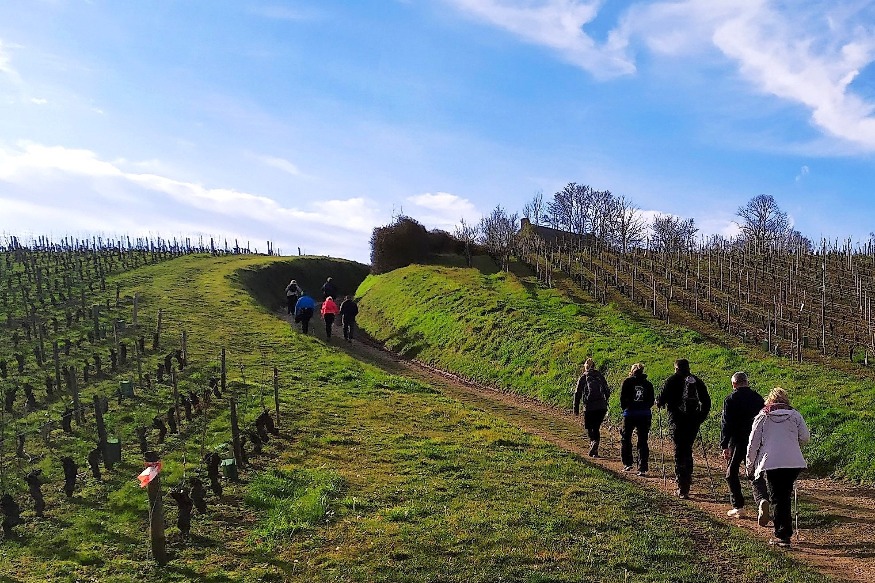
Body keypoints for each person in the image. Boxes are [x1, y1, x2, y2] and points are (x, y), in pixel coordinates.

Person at [746, 387, 809, 547]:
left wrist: (750, 465)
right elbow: (805, 437)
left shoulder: (762, 416)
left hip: (771, 461)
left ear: (769, 400)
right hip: (793, 462)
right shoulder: (795, 415)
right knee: (784, 496)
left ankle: (782, 536)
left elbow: (753, 444)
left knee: (777, 498)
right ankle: (784, 532)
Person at [656, 358, 711, 499]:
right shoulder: (696, 381)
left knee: (679, 451)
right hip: (693, 422)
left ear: (676, 368)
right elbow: (706, 401)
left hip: (677, 422)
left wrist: (659, 402)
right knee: (688, 449)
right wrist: (700, 417)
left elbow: (660, 400)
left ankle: (682, 485)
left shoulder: (671, 380)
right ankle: (688, 479)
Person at [720, 371, 767, 520]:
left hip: (738, 441)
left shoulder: (730, 399)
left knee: (731, 473)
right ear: (747, 382)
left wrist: (724, 444)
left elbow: (726, 424)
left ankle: (738, 506)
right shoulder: (758, 398)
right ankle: (761, 501)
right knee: (755, 471)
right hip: (756, 440)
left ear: (734, 384)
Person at [619, 363, 655, 476]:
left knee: (626, 438)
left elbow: (622, 399)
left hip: (629, 414)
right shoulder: (648, 384)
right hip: (644, 414)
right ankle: (642, 467)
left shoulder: (627, 382)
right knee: (643, 440)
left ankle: (627, 463)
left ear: (632, 371)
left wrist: (626, 408)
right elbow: (651, 400)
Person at [573, 358, 610, 458]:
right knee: (596, 427)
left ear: (586, 367)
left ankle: (593, 442)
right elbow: (607, 390)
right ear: (594, 366)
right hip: (601, 406)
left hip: (589, 407)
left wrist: (576, 408)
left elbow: (577, 393)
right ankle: (595, 448)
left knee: (589, 428)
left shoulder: (583, 377)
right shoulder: (600, 376)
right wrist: (605, 401)